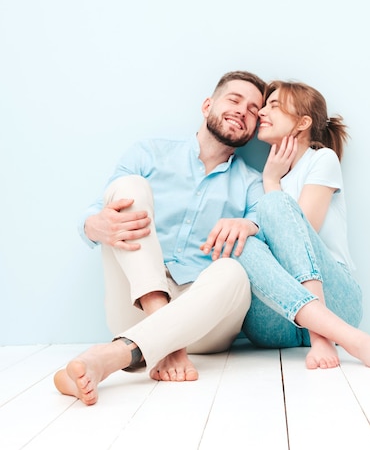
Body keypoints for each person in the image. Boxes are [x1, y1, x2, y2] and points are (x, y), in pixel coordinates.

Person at [54, 70, 266, 405]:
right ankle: (162, 340)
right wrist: (95, 226)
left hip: (204, 322)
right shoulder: (149, 153)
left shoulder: (253, 184)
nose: (243, 110)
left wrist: (249, 225)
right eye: (235, 99)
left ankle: (112, 357)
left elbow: (265, 234)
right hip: (135, 306)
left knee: (235, 273)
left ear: (255, 128)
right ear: (208, 104)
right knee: (128, 189)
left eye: (254, 109)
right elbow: (96, 211)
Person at [231, 81, 370, 371]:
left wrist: (272, 185)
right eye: (264, 106)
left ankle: (333, 336)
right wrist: (270, 180)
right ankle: (325, 333)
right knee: (236, 243)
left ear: (303, 122)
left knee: (274, 206)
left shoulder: (321, 159)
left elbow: (304, 231)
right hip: (276, 322)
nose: (262, 112)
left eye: (273, 106)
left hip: (337, 303)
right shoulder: (261, 177)